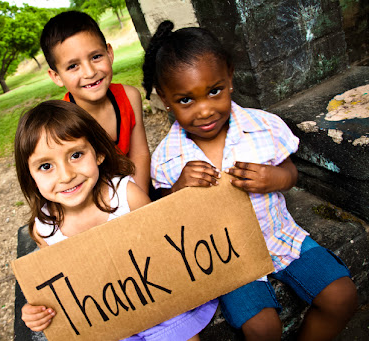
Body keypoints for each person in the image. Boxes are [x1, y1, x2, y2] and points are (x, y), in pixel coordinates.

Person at [144, 21, 358, 341]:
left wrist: (275, 177)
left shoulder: (263, 127)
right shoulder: (167, 159)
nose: (204, 110)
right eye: (185, 100)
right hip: (229, 260)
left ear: (229, 76)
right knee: (262, 328)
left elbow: (291, 174)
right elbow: (168, 218)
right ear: (164, 98)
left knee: (342, 296)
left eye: (214, 91)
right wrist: (179, 192)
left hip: (282, 238)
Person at [14, 100, 218, 341]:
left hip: (161, 307)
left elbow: (167, 249)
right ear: (30, 176)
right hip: (106, 325)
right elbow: (58, 291)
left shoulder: (126, 196)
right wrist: (36, 312)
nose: (66, 175)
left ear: (98, 153)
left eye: (76, 155)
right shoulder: (45, 229)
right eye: (46, 166)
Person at [40, 11, 151, 195]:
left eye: (96, 57)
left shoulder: (130, 97)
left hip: (134, 191)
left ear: (109, 53)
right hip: (91, 200)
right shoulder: (61, 122)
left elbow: (139, 155)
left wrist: (138, 205)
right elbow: (70, 182)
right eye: (73, 66)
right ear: (56, 76)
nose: (90, 72)